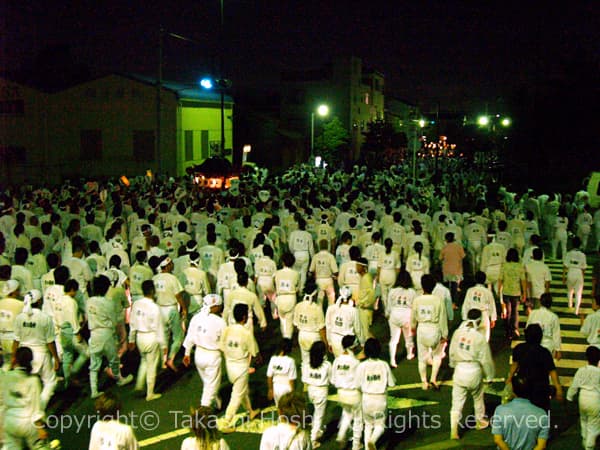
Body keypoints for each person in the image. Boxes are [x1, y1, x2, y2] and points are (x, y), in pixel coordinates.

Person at [448, 309, 495, 439]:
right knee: (478, 397)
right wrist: (490, 376)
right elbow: (486, 360)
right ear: (479, 320)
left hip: (459, 369)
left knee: (457, 402)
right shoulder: (479, 337)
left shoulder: (457, 333)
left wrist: (452, 365)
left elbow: (451, 351)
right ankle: (479, 421)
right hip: (474, 370)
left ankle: (454, 430)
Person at [87, 275, 134, 399]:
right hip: (106, 334)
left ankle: (94, 390)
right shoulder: (108, 303)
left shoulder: (89, 301)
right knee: (113, 360)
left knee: (94, 364)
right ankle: (119, 380)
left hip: (94, 333)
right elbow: (113, 321)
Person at [12, 289, 59, 409]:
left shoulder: (20, 317)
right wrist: (56, 358)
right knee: (50, 382)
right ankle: (39, 409)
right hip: (41, 354)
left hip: (23, 354)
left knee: (25, 384)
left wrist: (14, 357)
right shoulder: (45, 318)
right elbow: (50, 342)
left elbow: (16, 340)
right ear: (39, 301)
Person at [220, 303, 260, 433]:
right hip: (241, 367)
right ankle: (226, 421)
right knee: (237, 395)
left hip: (229, 364)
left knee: (242, 391)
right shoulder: (246, 333)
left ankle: (250, 411)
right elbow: (253, 353)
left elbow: (222, 347)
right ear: (244, 317)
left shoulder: (227, 330)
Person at [507, 323, 563, 411]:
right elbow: (552, 371)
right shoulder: (544, 352)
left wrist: (509, 378)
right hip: (540, 387)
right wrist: (558, 387)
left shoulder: (519, 348)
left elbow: (515, 365)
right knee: (541, 410)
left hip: (523, 385)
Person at [183, 293, 226, 409]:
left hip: (198, 355)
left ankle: (216, 402)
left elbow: (190, 336)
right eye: (219, 305)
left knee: (208, 384)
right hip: (213, 356)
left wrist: (187, 353)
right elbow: (225, 342)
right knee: (211, 386)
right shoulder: (220, 321)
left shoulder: (196, 318)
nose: (221, 307)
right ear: (214, 307)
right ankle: (203, 410)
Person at [3, 347, 48, 450]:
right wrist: (41, 428)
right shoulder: (34, 381)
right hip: (28, 423)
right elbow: (36, 410)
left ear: (15, 359)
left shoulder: (6, 376)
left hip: (9, 421)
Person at [355, 338, 395, 450]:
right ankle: (372, 441)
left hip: (366, 400)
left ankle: (368, 447)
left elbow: (357, 385)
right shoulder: (384, 365)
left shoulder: (361, 366)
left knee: (368, 426)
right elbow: (391, 383)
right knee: (380, 426)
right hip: (380, 400)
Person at [128, 279, 165, 401]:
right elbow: (159, 327)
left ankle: (139, 384)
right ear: (153, 291)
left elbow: (132, 323)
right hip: (151, 337)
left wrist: (131, 339)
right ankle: (150, 393)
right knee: (151, 365)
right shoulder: (154, 307)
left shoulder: (137, 304)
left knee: (144, 361)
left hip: (139, 336)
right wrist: (164, 345)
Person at [491, 373, 550, 450]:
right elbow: (541, 446)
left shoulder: (500, 410)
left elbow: (498, 439)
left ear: (513, 390)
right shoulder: (542, 414)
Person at [411, 274, 448, 390]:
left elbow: (413, 317)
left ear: (422, 286)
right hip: (435, 329)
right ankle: (433, 378)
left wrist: (413, 326)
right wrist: (445, 334)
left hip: (422, 329)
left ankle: (424, 382)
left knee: (422, 358)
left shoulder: (417, 300)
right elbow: (443, 318)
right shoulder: (438, 300)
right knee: (437, 355)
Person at [153, 255, 187, 371]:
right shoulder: (172, 278)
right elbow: (178, 295)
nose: (173, 265)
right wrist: (184, 308)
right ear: (167, 265)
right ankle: (171, 358)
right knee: (178, 336)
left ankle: (163, 361)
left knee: (164, 336)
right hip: (171, 309)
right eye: (171, 263)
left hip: (159, 309)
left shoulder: (155, 278)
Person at [54, 278, 89, 388]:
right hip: (72, 331)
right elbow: (73, 318)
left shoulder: (57, 301)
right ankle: (73, 372)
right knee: (86, 353)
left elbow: (55, 317)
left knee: (67, 356)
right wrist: (77, 333)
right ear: (72, 289)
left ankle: (67, 381)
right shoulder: (71, 302)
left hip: (62, 331)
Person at [331, 334, 363, 450]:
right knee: (358, 419)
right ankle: (356, 445)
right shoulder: (355, 362)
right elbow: (360, 381)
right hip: (354, 394)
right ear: (353, 346)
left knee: (347, 414)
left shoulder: (337, 361)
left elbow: (333, 380)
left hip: (341, 393)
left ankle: (341, 435)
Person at [566, 346, 600, 450]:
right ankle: (589, 447)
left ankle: (584, 441)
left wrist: (569, 398)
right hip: (595, 399)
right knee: (593, 426)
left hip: (583, 398)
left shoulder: (581, 370)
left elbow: (574, 387)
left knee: (584, 421)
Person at [301, 340, 330, 449]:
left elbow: (304, 379)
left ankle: (317, 429)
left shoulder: (307, 364)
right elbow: (331, 379)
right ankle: (313, 440)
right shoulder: (327, 365)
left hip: (311, 390)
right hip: (321, 391)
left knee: (316, 411)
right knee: (319, 415)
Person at [293, 282, 328, 368]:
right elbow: (321, 329)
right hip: (314, 337)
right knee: (321, 361)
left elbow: (295, 325)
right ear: (315, 295)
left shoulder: (298, 306)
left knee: (305, 361)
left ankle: (305, 378)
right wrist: (325, 343)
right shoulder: (317, 309)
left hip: (302, 335)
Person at [387, 270, 416, 367]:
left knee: (394, 339)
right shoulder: (412, 292)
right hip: (407, 315)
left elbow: (388, 306)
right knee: (408, 337)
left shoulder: (392, 290)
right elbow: (414, 306)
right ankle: (409, 354)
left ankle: (392, 360)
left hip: (394, 314)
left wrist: (388, 314)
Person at [326, 286, 362, 357]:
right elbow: (358, 328)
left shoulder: (331, 308)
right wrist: (362, 342)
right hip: (347, 342)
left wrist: (329, 341)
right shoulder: (353, 310)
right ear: (350, 296)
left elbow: (328, 326)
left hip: (334, 338)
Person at [498, 248, 527, 340]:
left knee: (507, 311)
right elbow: (523, 281)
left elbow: (500, 280)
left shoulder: (504, 266)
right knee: (515, 311)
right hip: (516, 292)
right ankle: (514, 329)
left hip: (506, 291)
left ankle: (507, 331)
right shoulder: (520, 267)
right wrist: (524, 293)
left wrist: (499, 291)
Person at [461, 271, 497, 342]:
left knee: (472, 338)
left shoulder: (470, 290)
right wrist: (493, 318)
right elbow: (492, 305)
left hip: (472, 315)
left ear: (475, 279)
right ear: (485, 280)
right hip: (484, 315)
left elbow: (466, 305)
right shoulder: (487, 292)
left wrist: (464, 317)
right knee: (484, 339)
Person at [526, 293, 562, 360]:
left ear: (540, 302)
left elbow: (527, 328)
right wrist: (558, 350)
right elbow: (556, 334)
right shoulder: (554, 317)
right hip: (548, 345)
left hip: (533, 343)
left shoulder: (533, 313)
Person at [274, 253, 300, 338]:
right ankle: (288, 339)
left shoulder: (277, 273)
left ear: (283, 262)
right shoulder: (296, 274)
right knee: (289, 320)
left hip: (280, 297)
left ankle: (284, 337)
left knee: (282, 321)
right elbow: (297, 286)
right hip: (291, 297)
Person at [0, 280, 23, 371]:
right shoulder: (20, 305)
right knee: (15, 364)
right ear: (14, 291)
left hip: (1, 337)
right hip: (13, 339)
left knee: (6, 362)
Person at [266, 338, 297, 406]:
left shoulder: (273, 359)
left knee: (279, 409)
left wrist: (270, 389)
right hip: (286, 388)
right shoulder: (290, 361)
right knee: (288, 410)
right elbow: (291, 380)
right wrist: (292, 393)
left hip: (276, 388)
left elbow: (269, 376)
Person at [308, 240, 338, 306]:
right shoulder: (330, 256)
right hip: (329, 280)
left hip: (319, 280)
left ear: (319, 246)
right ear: (327, 246)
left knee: (319, 301)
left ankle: (320, 315)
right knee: (331, 301)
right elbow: (335, 271)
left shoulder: (315, 256)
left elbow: (311, 271)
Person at [563, 236, 587, 315]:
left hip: (571, 272)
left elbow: (565, 266)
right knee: (578, 293)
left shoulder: (569, 254)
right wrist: (583, 277)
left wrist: (563, 276)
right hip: (578, 272)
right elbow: (584, 268)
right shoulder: (582, 255)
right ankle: (576, 310)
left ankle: (570, 304)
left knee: (570, 290)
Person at [376, 238, 401, 312]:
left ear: (384, 245)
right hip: (392, 274)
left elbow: (379, 267)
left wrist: (378, 276)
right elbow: (398, 268)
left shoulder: (381, 254)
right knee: (391, 293)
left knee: (384, 294)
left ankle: (386, 310)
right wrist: (396, 277)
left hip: (383, 274)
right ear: (392, 245)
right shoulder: (396, 254)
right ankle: (391, 309)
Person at [439, 232, 465, 303]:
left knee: (447, 288)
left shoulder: (444, 247)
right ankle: (455, 303)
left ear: (446, 239)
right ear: (454, 239)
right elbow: (463, 256)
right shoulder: (458, 246)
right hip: (457, 270)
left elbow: (440, 258)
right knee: (455, 287)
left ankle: (447, 301)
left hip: (447, 270)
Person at [525, 248, 551, 314]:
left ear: (532, 256)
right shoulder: (545, 267)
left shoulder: (527, 266)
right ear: (542, 256)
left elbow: (525, 280)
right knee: (538, 313)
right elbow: (547, 282)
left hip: (529, 293)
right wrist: (547, 293)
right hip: (540, 294)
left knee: (530, 313)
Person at [356, 257, 375, 345]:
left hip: (365, 308)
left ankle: (371, 348)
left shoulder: (366, 278)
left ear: (363, 267)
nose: (356, 267)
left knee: (366, 331)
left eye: (358, 265)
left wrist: (365, 304)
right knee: (363, 330)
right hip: (362, 307)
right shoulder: (363, 277)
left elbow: (371, 294)